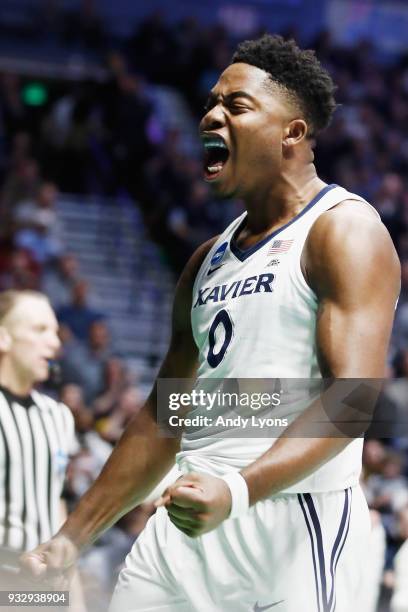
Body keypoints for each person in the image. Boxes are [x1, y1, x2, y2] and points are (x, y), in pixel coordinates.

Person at [21, 34, 400, 611]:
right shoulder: (205, 261)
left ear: (292, 133)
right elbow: (164, 417)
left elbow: (351, 401)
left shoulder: (343, 231)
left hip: (291, 525)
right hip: (187, 519)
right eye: (210, 102)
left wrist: (239, 490)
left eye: (236, 105)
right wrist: (72, 538)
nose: (211, 115)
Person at [0, 290, 85, 611]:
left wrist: (74, 601)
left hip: (43, 589)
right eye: (39, 330)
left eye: (54, 331)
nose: (54, 343)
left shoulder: (58, 415)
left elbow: (57, 504)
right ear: (4, 339)